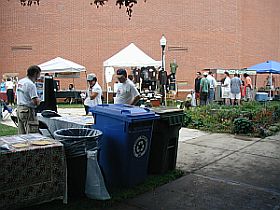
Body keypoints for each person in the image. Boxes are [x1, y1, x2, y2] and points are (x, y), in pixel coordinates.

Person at [16, 65, 41, 134]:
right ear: (35, 74)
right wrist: (39, 101)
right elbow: (35, 101)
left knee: (22, 133)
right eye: (39, 74)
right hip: (28, 111)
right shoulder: (30, 84)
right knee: (31, 133)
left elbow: (17, 95)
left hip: (19, 109)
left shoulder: (20, 81)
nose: (38, 77)